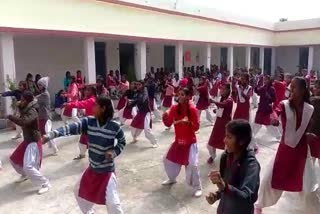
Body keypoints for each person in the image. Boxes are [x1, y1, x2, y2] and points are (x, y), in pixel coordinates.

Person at [44, 96, 125, 214]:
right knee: (78, 192)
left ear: (102, 108)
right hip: (92, 170)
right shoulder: (89, 122)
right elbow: (70, 128)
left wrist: (114, 152)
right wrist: (51, 135)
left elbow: (122, 142)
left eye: (95, 105)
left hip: (106, 173)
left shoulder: (115, 127)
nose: (93, 107)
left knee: (113, 205)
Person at [255, 77, 319, 213]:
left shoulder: (310, 108)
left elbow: (305, 127)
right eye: (291, 86)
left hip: (301, 152)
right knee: (270, 179)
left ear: (303, 90)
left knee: (306, 185)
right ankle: (259, 205)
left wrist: (307, 135)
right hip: (285, 150)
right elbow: (275, 112)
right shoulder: (284, 105)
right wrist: (273, 119)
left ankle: (312, 210)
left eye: (294, 87)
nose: (291, 89)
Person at [206, 119, 260, 214]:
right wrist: (217, 195)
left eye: (229, 137)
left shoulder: (251, 166)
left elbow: (247, 197)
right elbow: (227, 185)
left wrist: (224, 187)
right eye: (225, 135)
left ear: (241, 141)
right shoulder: (225, 157)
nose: (224, 140)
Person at [162, 87, 202, 197]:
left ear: (188, 97)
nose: (179, 96)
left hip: (190, 143)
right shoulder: (174, 108)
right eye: (179, 94)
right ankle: (172, 178)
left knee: (192, 166)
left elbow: (197, 127)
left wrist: (188, 123)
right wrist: (164, 117)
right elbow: (168, 123)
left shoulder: (192, 109)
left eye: (182, 94)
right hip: (178, 142)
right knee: (167, 160)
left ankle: (197, 187)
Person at [8, 91, 50, 194]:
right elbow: (21, 115)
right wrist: (19, 107)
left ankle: (45, 183)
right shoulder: (25, 108)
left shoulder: (32, 111)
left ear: (26, 101)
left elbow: (23, 122)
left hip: (33, 141)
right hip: (27, 140)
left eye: (22, 100)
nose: (20, 101)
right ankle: (25, 174)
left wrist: (10, 116)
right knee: (14, 160)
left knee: (28, 167)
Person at [64, 86, 96, 160]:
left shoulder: (92, 100)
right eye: (86, 90)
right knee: (83, 140)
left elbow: (81, 104)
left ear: (93, 92)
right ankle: (82, 154)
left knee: (92, 142)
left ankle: (95, 159)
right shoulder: (89, 98)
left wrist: (69, 105)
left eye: (88, 90)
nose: (86, 92)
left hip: (93, 123)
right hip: (88, 123)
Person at [207, 83, 233, 164]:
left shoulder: (230, 100)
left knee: (227, 143)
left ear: (228, 90)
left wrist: (213, 101)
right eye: (221, 89)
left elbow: (223, 105)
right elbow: (221, 108)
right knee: (211, 143)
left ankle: (228, 159)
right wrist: (216, 110)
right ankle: (212, 156)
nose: (221, 90)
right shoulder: (222, 98)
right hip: (218, 123)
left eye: (224, 89)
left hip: (226, 125)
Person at [251, 75, 279, 151]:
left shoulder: (272, 89)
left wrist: (269, 96)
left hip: (267, 110)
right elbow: (257, 91)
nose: (265, 81)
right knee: (256, 124)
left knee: (270, 126)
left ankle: (278, 136)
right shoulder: (263, 87)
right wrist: (255, 85)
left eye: (266, 79)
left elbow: (274, 99)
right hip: (261, 108)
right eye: (264, 79)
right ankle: (251, 136)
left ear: (269, 80)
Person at [130, 81, 158, 147]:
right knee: (133, 126)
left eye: (139, 84)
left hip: (146, 113)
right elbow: (134, 101)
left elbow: (142, 99)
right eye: (136, 84)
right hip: (140, 112)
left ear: (142, 85)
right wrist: (131, 103)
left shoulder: (145, 91)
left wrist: (134, 101)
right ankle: (135, 137)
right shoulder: (137, 92)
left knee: (146, 129)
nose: (137, 86)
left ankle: (155, 142)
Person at [36, 77, 58, 155]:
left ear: (44, 85)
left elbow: (35, 99)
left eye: (40, 85)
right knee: (45, 132)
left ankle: (54, 148)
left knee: (48, 133)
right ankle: (51, 145)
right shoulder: (43, 94)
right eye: (38, 85)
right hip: (43, 116)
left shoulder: (44, 94)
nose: (39, 86)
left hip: (45, 116)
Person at [308, 80, 320, 164]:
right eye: (315, 87)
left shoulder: (314, 100)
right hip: (313, 132)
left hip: (316, 132)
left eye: (317, 87)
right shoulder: (311, 99)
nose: (315, 89)